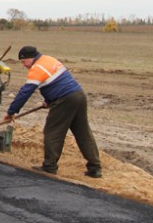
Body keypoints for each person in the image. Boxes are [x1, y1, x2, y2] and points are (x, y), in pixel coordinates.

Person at [5, 45, 102, 178]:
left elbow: (25, 93)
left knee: (53, 132)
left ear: (30, 58)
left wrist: (11, 112)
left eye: (23, 62)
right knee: (83, 133)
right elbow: (56, 82)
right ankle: (95, 168)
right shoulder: (49, 59)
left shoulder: (36, 69)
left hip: (65, 100)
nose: (24, 65)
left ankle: (49, 166)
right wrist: (49, 100)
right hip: (78, 95)